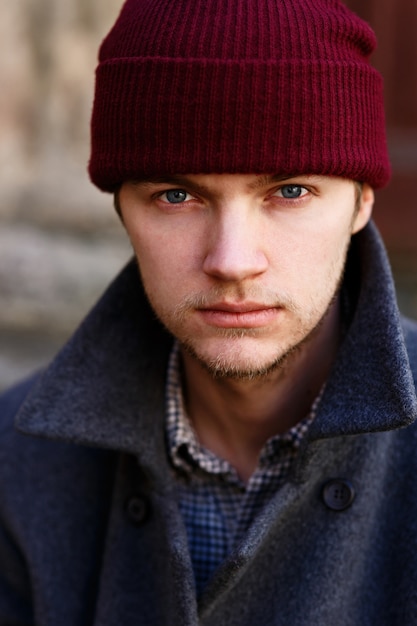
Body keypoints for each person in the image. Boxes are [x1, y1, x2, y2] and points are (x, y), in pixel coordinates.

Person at [1, 0, 417, 623]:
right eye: (176, 195)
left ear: (361, 202)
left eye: (290, 191)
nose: (232, 259)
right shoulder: (17, 458)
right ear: (121, 210)